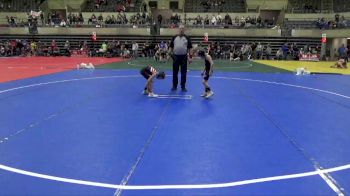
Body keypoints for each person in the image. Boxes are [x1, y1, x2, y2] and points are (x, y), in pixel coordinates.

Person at [169, 25, 193, 92]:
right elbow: (171, 47)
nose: (181, 30)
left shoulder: (187, 38)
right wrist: (169, 55)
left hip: (184, 57)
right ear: (178, 29)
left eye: (182, 28)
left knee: (183, 73)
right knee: (175, 72)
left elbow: (190, 48)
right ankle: (174, 86)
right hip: (175, 57)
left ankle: (183, 86)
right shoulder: (174, 37)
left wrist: (190, 57)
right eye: (180, 28)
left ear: (184, 30)